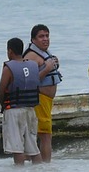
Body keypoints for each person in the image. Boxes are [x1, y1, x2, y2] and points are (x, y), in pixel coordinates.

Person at [0, 37, 42, 166]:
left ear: (10, 51)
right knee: (33, 148)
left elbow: (1, 91)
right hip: (30, 109)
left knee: (17, 148)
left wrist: (3, 105)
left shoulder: (9, 68)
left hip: (14, 110)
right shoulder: (33, 65)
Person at [23, 24, 62, 163]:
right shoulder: (31, 55)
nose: (45, 39)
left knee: (39, 135)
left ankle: (38, 167)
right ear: (33, 40)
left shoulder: (44, 52)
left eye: (47, 36)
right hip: (38, 100)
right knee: (44, 136)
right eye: (41, 36)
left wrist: (54, 64)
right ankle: (43, 167)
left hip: (46, 101)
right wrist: (47, 69)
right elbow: (27, 81)